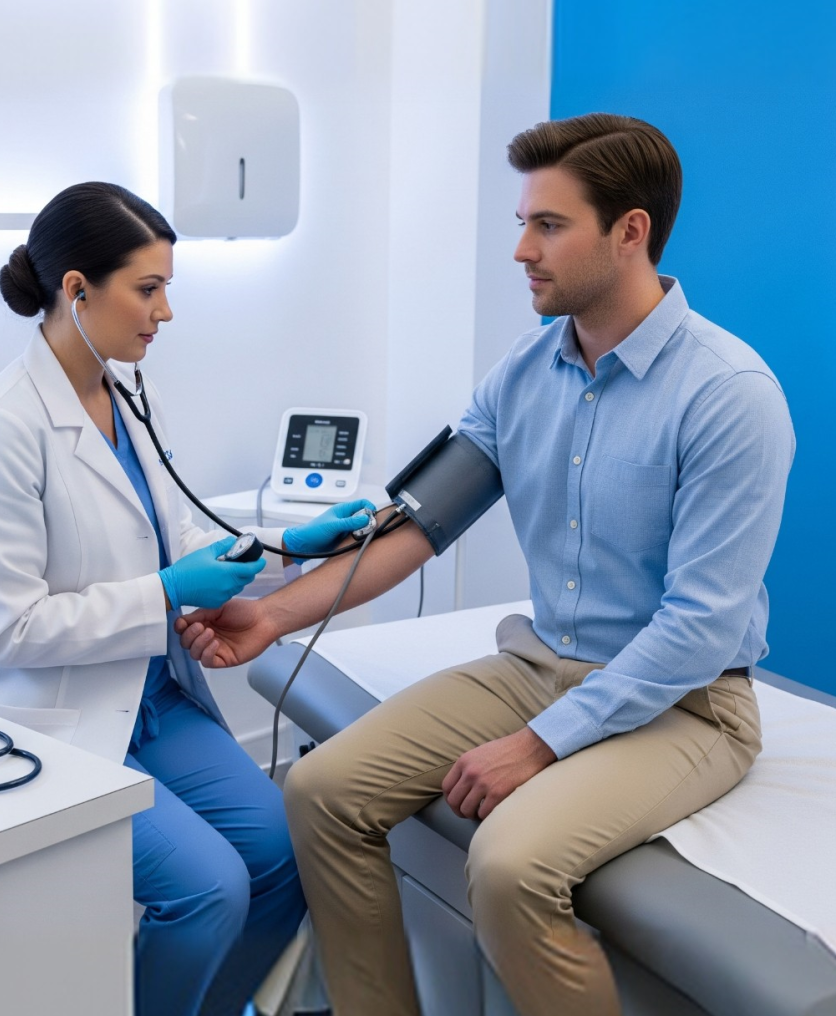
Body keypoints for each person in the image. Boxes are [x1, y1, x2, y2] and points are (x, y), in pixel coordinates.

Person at [175, 114, 796, 1016]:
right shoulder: (524, 371)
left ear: (631, 232)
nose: (520, 251)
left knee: (507, 864)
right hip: (538, 662)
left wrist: (541, 745)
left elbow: (699, 627)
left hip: (686, 703)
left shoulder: (729, 397)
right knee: (319, 789)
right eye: (522, 223)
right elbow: (419, 524)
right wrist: (274, 613)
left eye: (548, 226)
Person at [0, 181, 376, 1016]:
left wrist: (292, 545)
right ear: (77, 289)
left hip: (154, 699)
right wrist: (166, 592)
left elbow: (178, 554)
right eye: (148, 288)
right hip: (51, 713)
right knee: (208, 889)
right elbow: (10, 628)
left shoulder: (130, 394)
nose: (165, 312)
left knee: (288, 856)